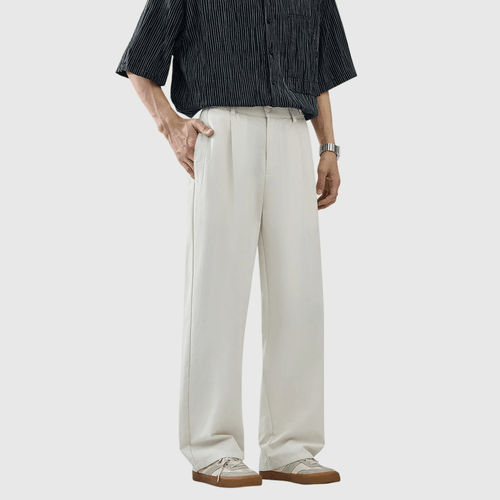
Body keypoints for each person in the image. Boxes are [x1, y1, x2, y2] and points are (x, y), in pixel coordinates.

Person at [115, 0, 356, 488]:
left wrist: (329, 146)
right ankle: (212, 447)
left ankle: (290, 447)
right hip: (221, 128)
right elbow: (141, 62)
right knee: (217, 292)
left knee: (299, 297)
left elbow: (319, 69)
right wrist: (170, 126)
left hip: (293, 131)